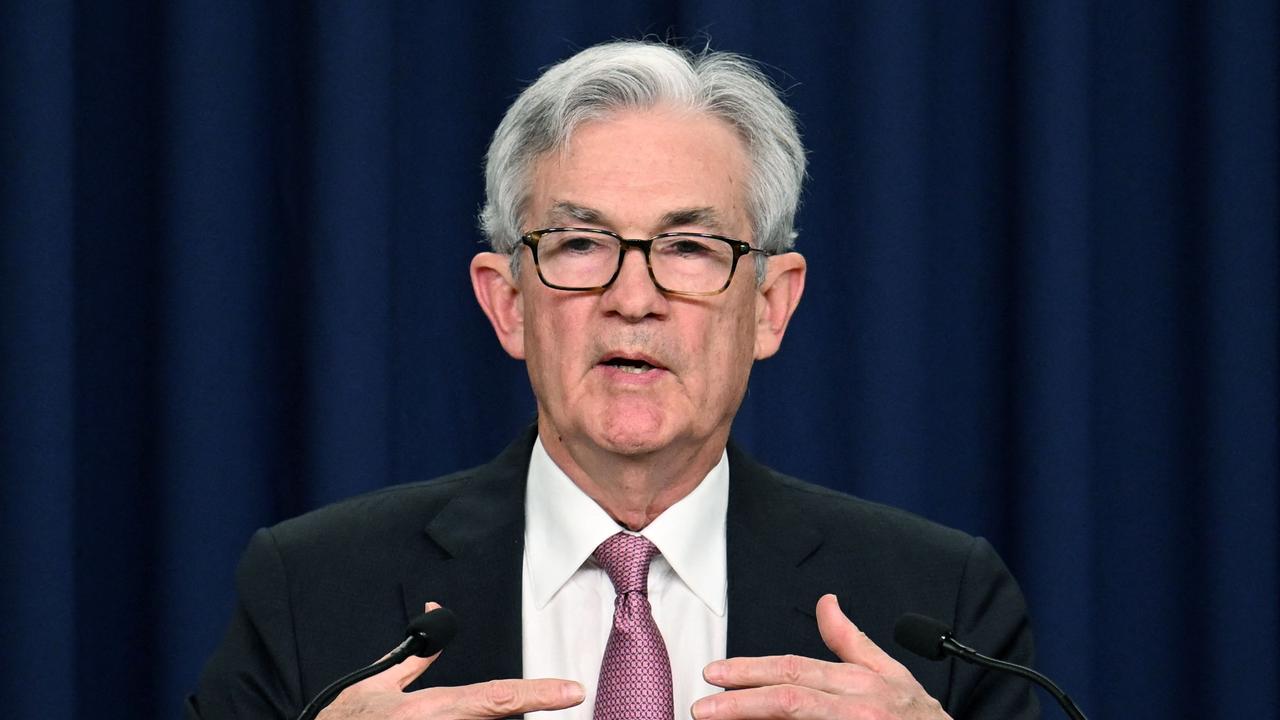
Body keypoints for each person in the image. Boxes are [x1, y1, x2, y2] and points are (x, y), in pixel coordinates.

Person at [187, 40, 1037, 720]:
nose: (634, 299)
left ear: (771, 306)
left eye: (690, 248)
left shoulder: (936, 607)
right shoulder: (313, 591)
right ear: (508, 301)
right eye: (581, 245)